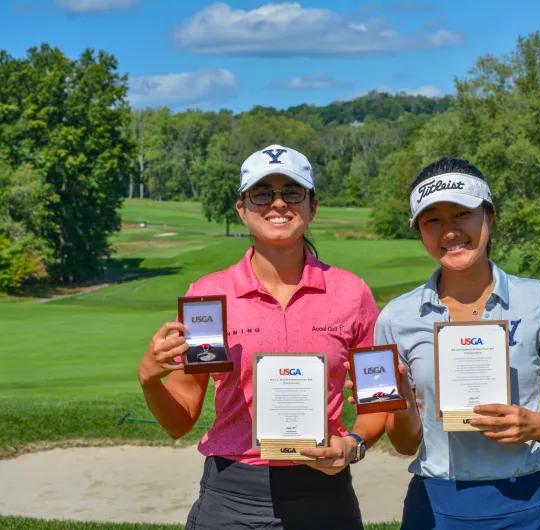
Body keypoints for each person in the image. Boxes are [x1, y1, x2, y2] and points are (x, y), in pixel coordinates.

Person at [137, 145, 387, 530]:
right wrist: (150, 380)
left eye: (292, 191)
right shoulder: (208, 295)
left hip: (326, 495)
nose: (278, 204)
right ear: (242, 209)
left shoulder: (352, 293)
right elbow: (179, 421)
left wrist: (354, 443)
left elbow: (379, 400)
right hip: (233, 496)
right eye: (262, 193)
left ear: (312, 205)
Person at [367, 157, 540, 529]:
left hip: (528, 502)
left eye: (462, 214)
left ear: (490, 216)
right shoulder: (396, 317)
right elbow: (406, 445)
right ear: (418, 229)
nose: (449, 231)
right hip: (436, 504)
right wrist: (402, 401)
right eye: (432, 219)